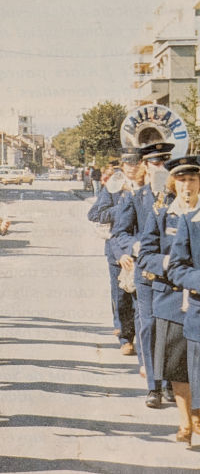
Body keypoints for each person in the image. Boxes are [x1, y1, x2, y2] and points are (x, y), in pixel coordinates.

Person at [140, 155, 200, 444]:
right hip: (171, 297)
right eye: (181, 180)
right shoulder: (162, 212)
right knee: (178, 365)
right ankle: (185, 420)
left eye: (192, 179)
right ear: (173, 183)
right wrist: (173, 263)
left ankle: (198, 418)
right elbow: (146, 255)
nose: (186, 185)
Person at [111, 141, 174, 408]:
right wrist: (133, 247)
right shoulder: (134, 197)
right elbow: (120, 233)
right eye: (155, 163)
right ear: (145, 167)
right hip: (146, 271)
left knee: (171, 329)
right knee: (148, 326)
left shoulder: (177, 197)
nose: (160, 168)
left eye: (165, 163)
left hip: (173, 271)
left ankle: (172, 382)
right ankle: (154, 386)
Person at [88, 156, 137, 360]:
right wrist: (126, 205)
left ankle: (135, 333)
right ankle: (125, 337)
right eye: (129, 165)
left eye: (137, 164)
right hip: (117, 248)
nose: (133, 168)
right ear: (123, 167)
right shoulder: (115, 187)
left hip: (141, 248)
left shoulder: (151, 186)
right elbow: (95, 214)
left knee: (139, 297)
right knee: (121, 295)